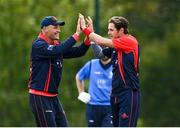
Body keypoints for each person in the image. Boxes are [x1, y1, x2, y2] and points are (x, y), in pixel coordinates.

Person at [27, 16, 91, 127]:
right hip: (40, 97)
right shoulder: (38, 45)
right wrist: (76, 34)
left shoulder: (56, 45)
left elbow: (79, 52)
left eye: (59, 27)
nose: (59, 30)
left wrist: (88, 37)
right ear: (45, 29)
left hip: (53, 98)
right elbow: (58, 51)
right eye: (55, 27)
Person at [79, 14, 140, 127]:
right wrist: (92, 39)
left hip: (128, 93)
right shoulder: (116, 45)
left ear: (121, 30)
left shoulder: (129, 41)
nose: (109, 33)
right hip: (115, 94)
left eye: (111, 30)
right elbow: (100, 54)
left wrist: (86, 30)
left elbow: (100, 41)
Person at [76, 56, 113, 127]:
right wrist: (81, 92)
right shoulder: (92, 64)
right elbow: (79, 77)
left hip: (110, 106)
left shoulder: (116, 65)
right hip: (93, 106)